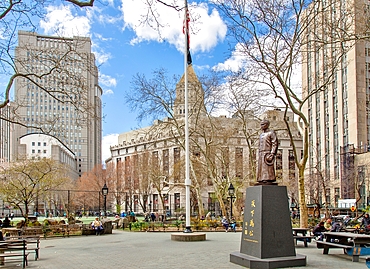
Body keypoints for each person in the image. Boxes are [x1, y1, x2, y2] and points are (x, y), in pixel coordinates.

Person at [256, 120, 278, 184]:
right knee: (261, 168)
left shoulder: (271, 133)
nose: (261, 126)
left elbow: (275, 143)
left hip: (267, 153)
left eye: (263, 124)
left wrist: (272, 153)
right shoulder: (261, 135)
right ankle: (261, 179)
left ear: (267, 125)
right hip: (261, 153)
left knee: (267, 169)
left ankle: (269, 179)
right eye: (261, 124)